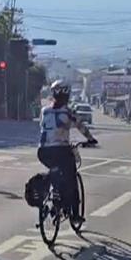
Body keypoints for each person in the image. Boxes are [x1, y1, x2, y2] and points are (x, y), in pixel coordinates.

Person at [38, 80, 97, 224]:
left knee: (55, 171)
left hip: (43, 151)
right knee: (72, 180)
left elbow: (44, 128)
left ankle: (55, 194)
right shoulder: (68, 112)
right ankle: (75, 215)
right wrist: (90, 139)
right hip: (61, 150)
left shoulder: (44, 111)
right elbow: (81, 126)